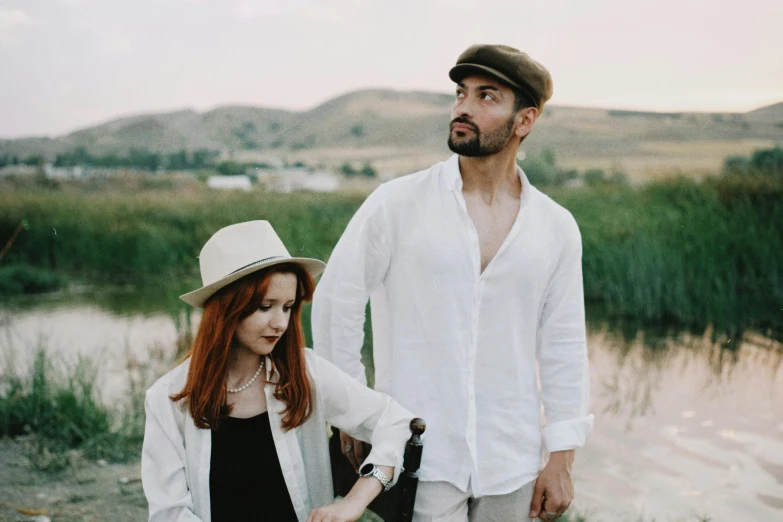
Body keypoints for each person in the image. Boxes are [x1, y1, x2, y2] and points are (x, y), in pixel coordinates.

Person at [312, 44, 593, 522]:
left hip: (513, 460)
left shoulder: (556, 226)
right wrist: (353, 412)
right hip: (416, 454)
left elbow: (564, 343)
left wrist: (561, 455)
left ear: (524, 120)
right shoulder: (396, 204)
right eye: (460, 93)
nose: (463, 107)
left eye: (487, 97)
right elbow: (337, 301)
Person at [141, 220, 413, 522]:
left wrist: (355, 499)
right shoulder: (168, 399)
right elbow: (169, 513)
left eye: (287, 307)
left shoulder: (305, 373)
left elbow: (396, 421)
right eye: (265, 306)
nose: (281, 323)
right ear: (226, 309)